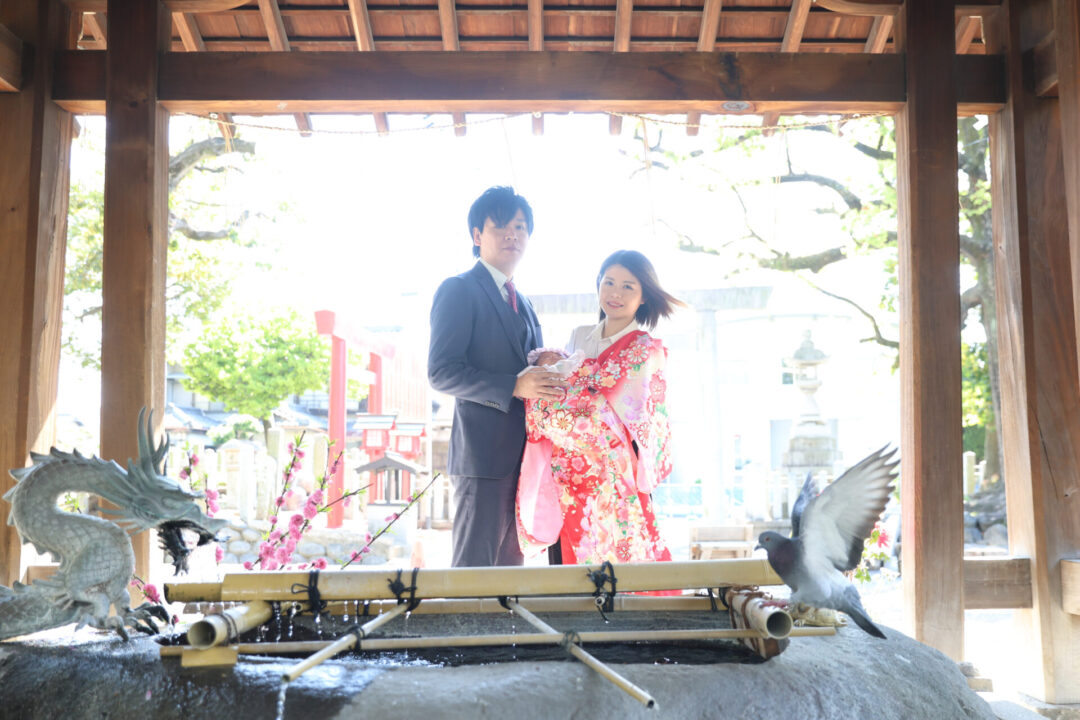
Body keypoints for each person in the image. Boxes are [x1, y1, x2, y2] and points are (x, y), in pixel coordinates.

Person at [517, 250, 685, 566]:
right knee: (569, 557)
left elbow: (605, 408)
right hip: (569, 471)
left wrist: (575, 386)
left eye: (627, 287)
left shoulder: (644, 348)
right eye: (609, 283)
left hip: (614, 473)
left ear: (644, 297)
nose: (615, 294)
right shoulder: (581, 335)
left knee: (618, 555)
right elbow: (562, 391)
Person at [428, 186, 564, 567]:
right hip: (483, 463)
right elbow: (441, 372)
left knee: (509, 582)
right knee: (474, 577)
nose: (512, 235)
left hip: (526, 462)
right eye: (500, 226)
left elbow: (526, 370)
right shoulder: (458, 290)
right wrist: (514, 385)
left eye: (520, 227)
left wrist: (546, 364)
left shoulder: (526, 304)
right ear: (476, 235)